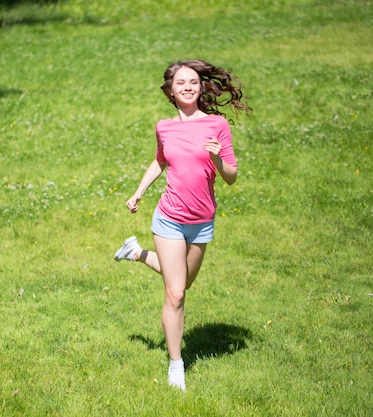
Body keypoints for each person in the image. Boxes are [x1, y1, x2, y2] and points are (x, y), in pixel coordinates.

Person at [114, 59, 251, 392]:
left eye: (193, 82)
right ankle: (177, 364)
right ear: (171, 92)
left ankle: (135, 253)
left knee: (184, 282)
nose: (188, 87)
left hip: (202, 222)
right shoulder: (164, 127)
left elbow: (231, 177)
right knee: (175, 294)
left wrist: (218, 158)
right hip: (169, 219)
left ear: (200, 87)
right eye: (181, 83)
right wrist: (138, 192)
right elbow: (160, 160)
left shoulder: (217, 125)